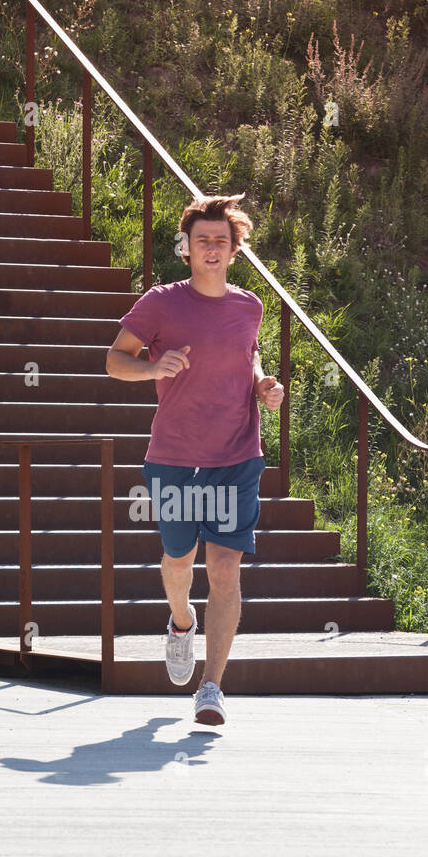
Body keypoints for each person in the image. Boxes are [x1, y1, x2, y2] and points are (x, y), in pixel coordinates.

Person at [105, 193, 285, 725]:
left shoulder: (249, 306)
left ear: (234, 249)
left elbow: (248, 358)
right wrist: (153, 367)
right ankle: (180, 623)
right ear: (187, 247)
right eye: (202, 240)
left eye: (221, 241)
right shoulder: (162, 302)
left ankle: (211, 687)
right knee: (179, 561)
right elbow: (116, 360)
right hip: (176, 455)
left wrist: (263, 387)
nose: (212, 248)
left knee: (224, 568)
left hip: (235, 456)